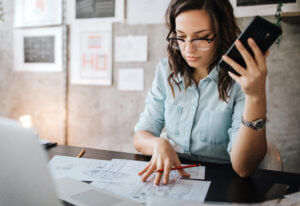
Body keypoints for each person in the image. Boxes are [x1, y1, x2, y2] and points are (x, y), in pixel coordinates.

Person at [134, 0, 269, 186]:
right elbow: (141, 135)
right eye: (180, 37)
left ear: (222, 34)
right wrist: (158, 144)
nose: (188, 49)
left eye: (201, 38)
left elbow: (243, 168)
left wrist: (256, 96)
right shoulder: (167, 70)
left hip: (222, 182)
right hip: (174, 179)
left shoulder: (242, 79)